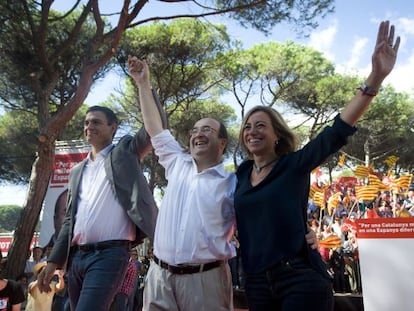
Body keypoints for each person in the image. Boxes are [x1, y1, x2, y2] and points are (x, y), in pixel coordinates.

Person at [233, 20, 400, 311]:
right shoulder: (241, 175)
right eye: (247, 127)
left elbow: (335, 132)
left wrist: (375, 78)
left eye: (261, 125)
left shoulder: (294, 165)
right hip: (256, 283)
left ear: (277, 136)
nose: (252, 131)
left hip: (299, 279)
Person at [128, 56, 318, 311]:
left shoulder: (235, 184)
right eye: (194, 130)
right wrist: (143, 84)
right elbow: (155, 128)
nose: (197, 134)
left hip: (206, 281)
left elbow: (263, 218)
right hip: (159, 278)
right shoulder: (176, 162)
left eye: (206, 130)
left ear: (222, 143)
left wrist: (304, 233)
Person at [37, 89, 167, 311]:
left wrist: (144, 84)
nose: (89, 127)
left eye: (96, 122)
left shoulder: (124, 151)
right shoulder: (77, 171)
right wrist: (53, 262)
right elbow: (69, 220)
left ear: (113, 127)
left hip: (110, 254)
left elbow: (153, 129)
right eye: (86, 123)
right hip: (76, 258)